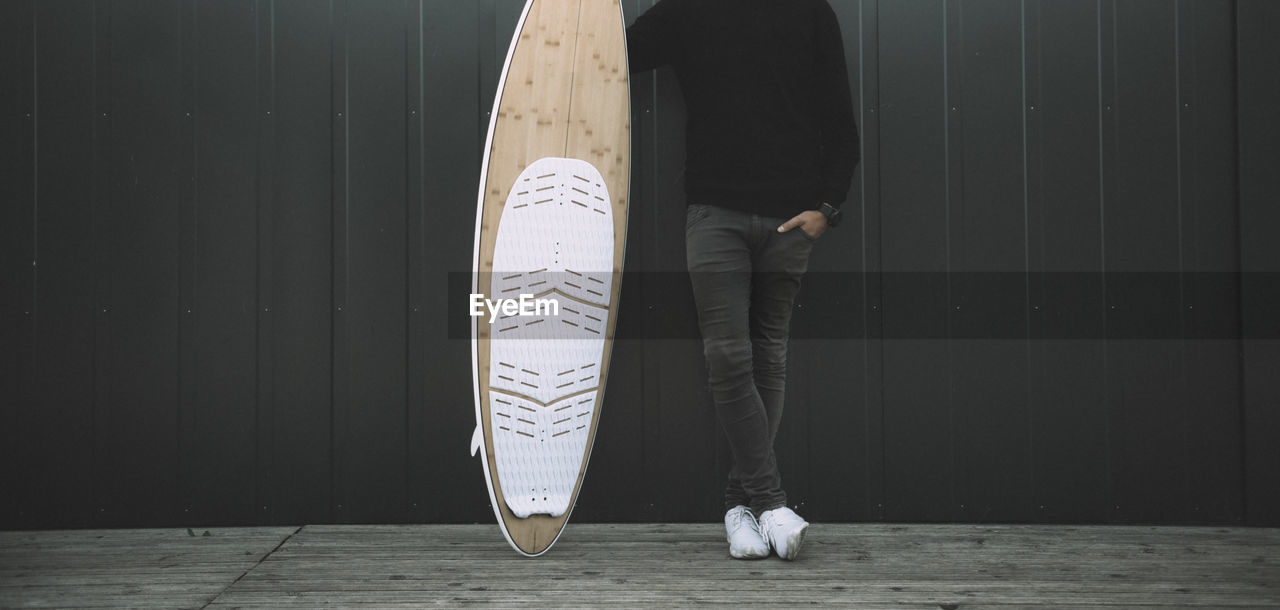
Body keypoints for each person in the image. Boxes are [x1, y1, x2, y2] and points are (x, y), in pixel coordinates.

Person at [626, 0, 860, 560]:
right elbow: (618, 53)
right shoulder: (687, 9)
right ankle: (772, 502)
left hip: (790, 219)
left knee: (768, 357)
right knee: (728, 358)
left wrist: (829, 207)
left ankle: (740, 507)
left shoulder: (810, 11)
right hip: (715, 215)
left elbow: (839, 117)